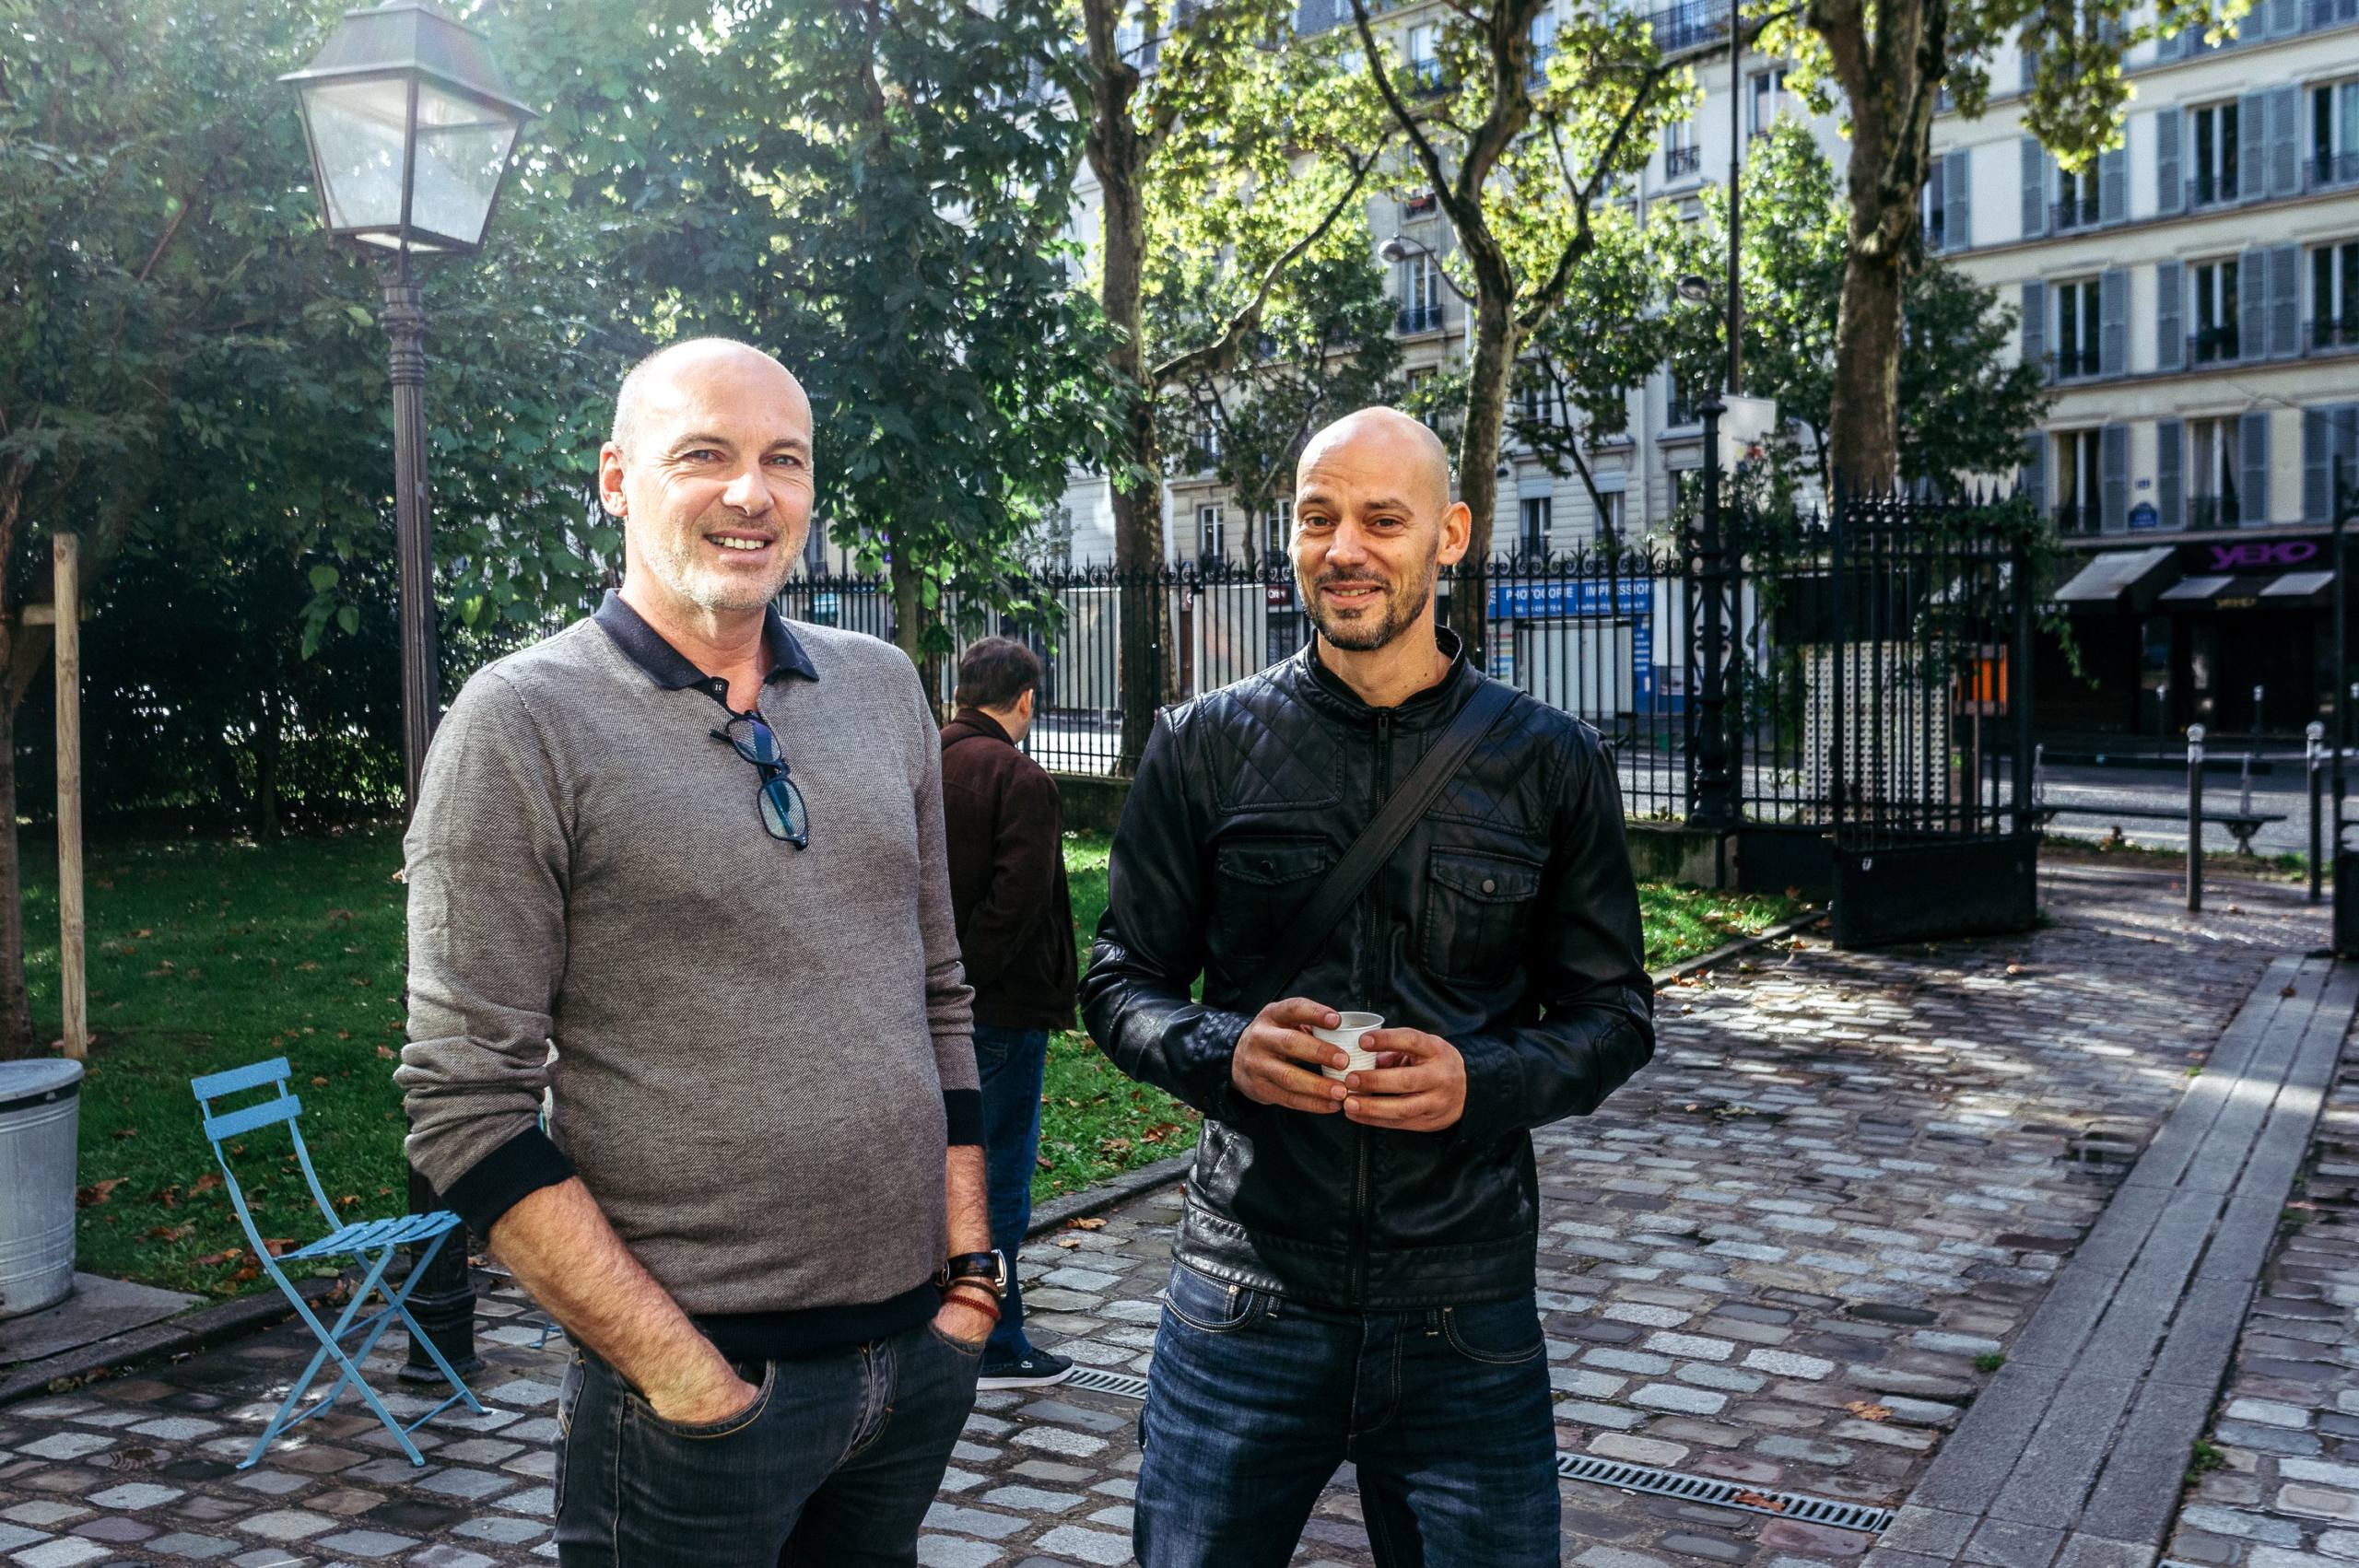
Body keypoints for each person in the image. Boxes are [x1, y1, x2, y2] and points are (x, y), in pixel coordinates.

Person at [398, 338, 1000, 1568]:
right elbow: (464, 1105)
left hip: (914, 1372)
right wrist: (686, 1374)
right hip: (696, 1400)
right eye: (706, 456)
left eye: (785, 459)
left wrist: (972, 1281)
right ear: (618, 479)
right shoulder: (521, 721)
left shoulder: (882, 688)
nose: (752, 493)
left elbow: (938, 990)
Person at [1081, 406, 1657, 1567]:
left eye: (1380, 520)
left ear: (1448, 535)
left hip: (1465, 1302)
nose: (1343, 548)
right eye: (1317, 518)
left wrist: (1478, 1079)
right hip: (1243, 1290)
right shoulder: (1199, 745)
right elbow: (1121, 982)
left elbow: (1614, 1015)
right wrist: (1219, 1050)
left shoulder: (1550, 758)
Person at [939, 636, 1079, 1389]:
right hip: (998, 1011)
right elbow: (1016, 904)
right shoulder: (1019, 776)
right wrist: (968, 985)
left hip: (929, 1007)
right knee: (997, 1181)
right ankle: (997, 1338)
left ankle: (945, 1320)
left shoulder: (926, 757)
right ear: (1026, 698)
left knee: (944, 1169)